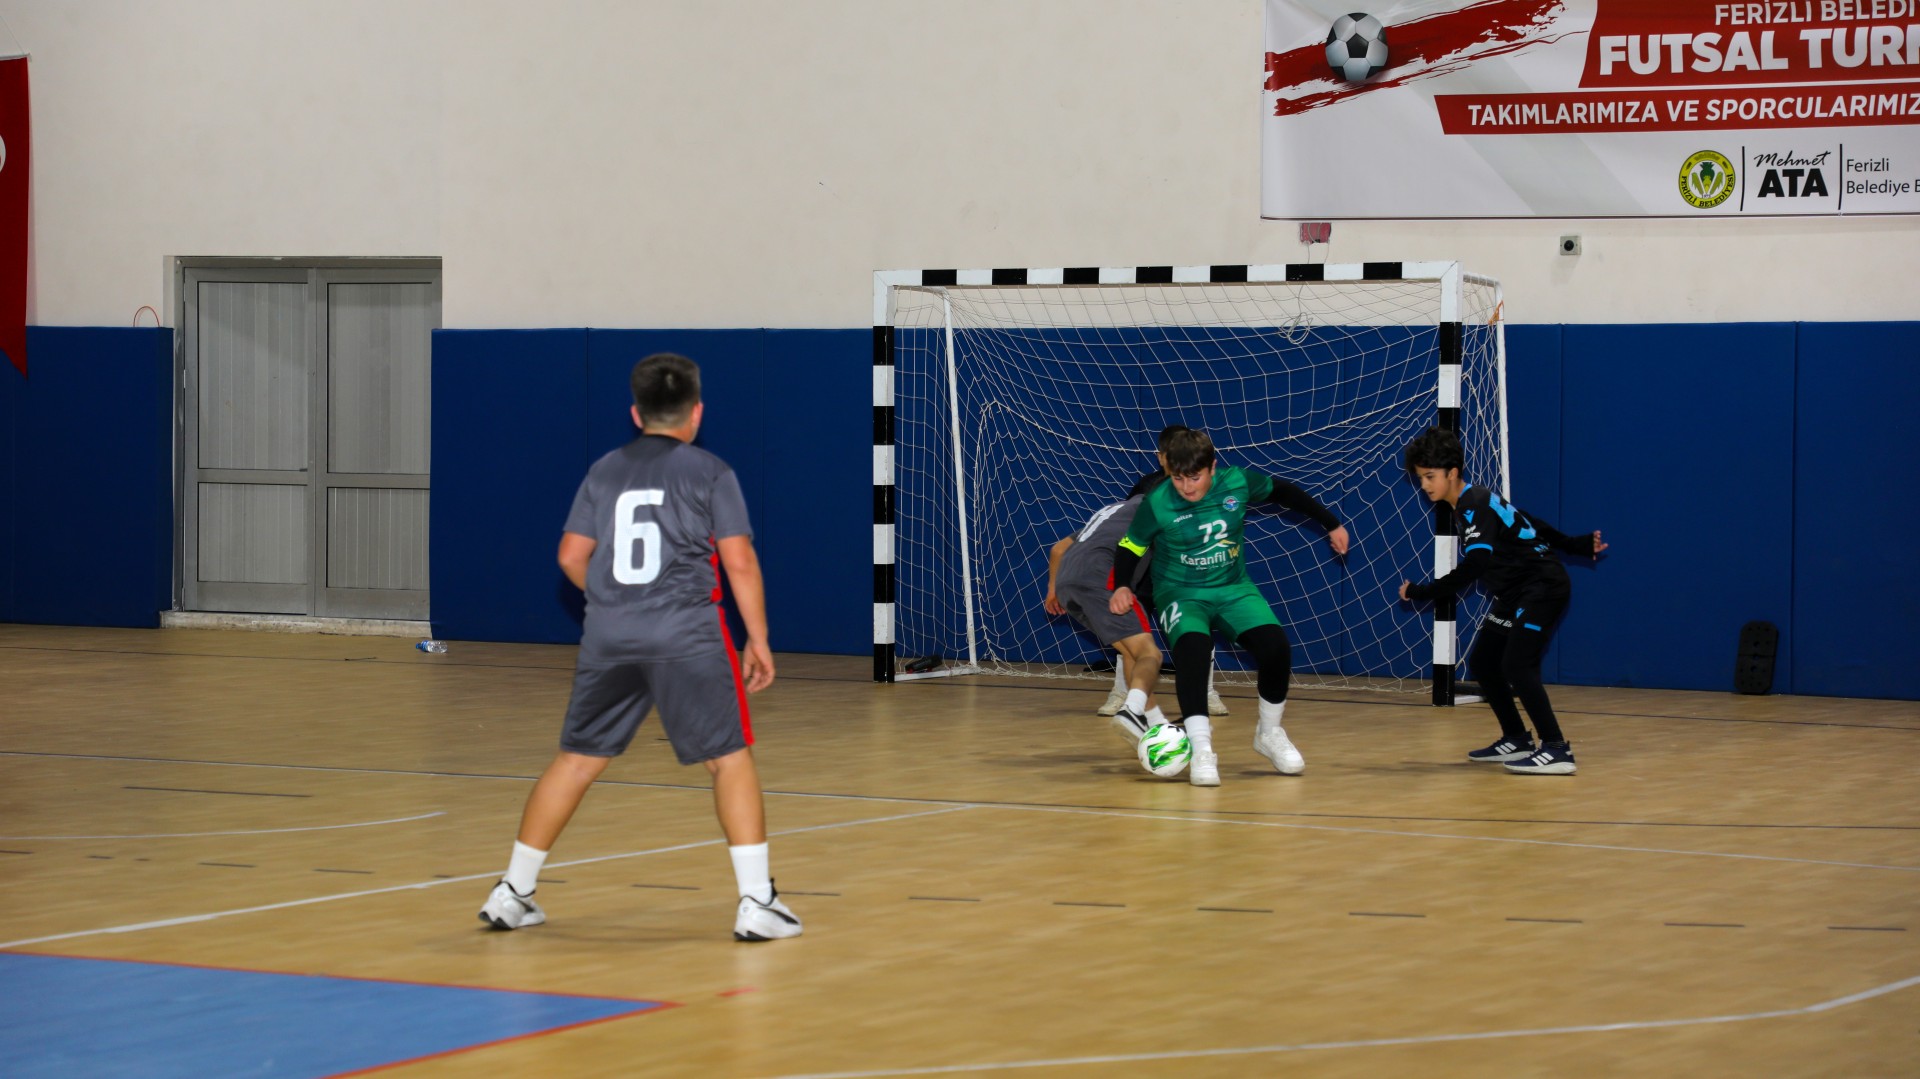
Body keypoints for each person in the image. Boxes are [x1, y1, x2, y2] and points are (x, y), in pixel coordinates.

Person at [478, 353, 801, 941]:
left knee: (577, 759)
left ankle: (512, 892)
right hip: (685, 632)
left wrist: (614, 599)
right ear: (697, 412)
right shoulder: (711, 471)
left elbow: (571, 556)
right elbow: (739, 561)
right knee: (728, 758)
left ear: (636, 413)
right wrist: (758, 638)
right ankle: (758, 902)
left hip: (610, 634)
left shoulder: (604, 470)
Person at [1107, 428, 1349, 786]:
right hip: (1181, 592)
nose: (1187, 487)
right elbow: (1130, 546)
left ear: (1212, 467)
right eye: (1178, 478)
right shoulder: (1157, 501)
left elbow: (1283, 491)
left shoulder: (1236, 482)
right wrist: (1123, 585)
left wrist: (1331, 523)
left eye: (1195, 477)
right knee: (1193, 650)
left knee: (1275, 647)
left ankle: (1269, 733)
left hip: (1234, 587)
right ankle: (1202, 749)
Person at [1397, 426, 1606, 776]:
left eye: (1430, 476)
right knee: (1484, 661)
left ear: (1452, 472)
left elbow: (1476, 564)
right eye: (1420, 478)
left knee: (1517, 665)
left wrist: (1422, 592)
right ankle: (1516, 738)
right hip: (1516, 593)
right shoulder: (1476, 500)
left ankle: (1556, 748)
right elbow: (1530, 522)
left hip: (1542, 588)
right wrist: (1575, 545)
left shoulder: (1472, 505)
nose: (1424, 485)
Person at [1097, 425, 1229, 720]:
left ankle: (1206, 692)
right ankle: (1121, 692)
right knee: (1129, 632)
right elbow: (1129, 531)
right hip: (1145, 574)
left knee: (1198, 629)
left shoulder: (1209, 488)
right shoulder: (1147, 487)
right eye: (1170, 455)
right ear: (1161, 457)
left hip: (1185, 574)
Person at [1046, 493, 1169, 745]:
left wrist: (1052, 589)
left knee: (1131, 652)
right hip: (1101, 578)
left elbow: (1057, 549)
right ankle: (1133, 712)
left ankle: (1154, 724)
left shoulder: (1112, 512)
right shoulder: (1154, 510)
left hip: (1068, 583)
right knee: (1150, 654)